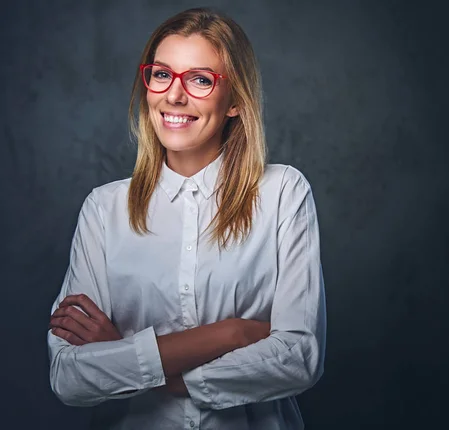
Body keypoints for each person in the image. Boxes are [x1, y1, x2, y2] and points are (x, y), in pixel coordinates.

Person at [47, 7, 326, 430]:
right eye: (161, 74)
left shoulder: (283, 192)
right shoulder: (104, 209)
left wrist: (124, 355)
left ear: (235, 101)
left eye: (200, 79)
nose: (174, 96)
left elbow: (299, 359)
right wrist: (230, 334)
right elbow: (70, 377)